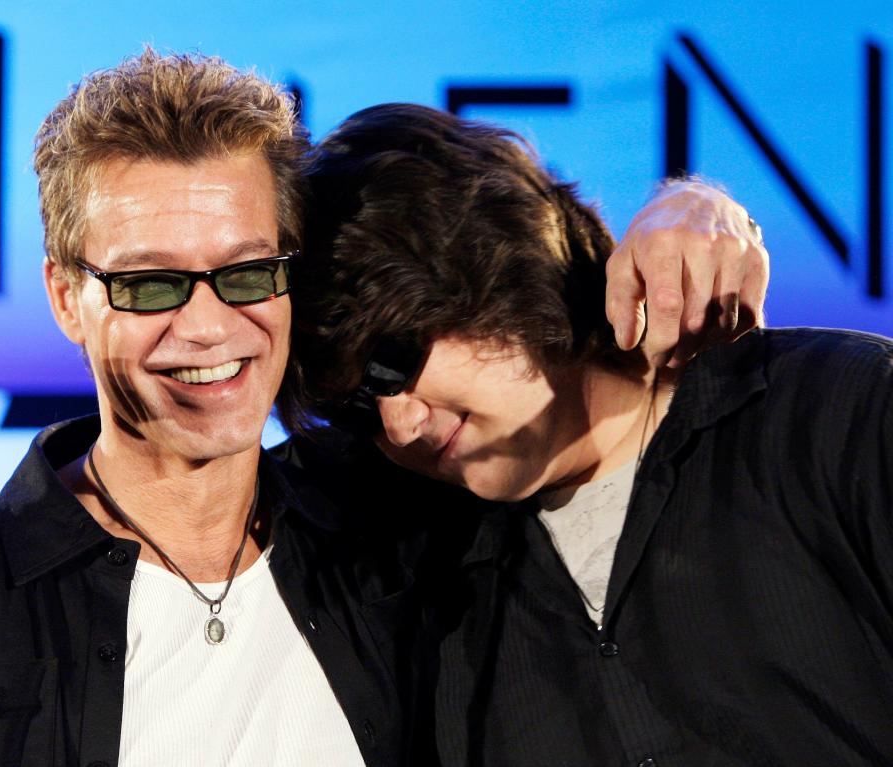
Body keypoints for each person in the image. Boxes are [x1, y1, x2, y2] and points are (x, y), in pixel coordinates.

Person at [0, 50, 770, 766]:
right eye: (150, 283)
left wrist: (692, 214)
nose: (208, 325)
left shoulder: (401, 514)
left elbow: (575, 402)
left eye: (248, 271)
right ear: (66, 296)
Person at [280, 103, 893, 766]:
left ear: (494, 254)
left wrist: (695, 200)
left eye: (393, 358)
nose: (400, 422)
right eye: (362, 406)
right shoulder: (416, 586)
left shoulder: (834, 412)